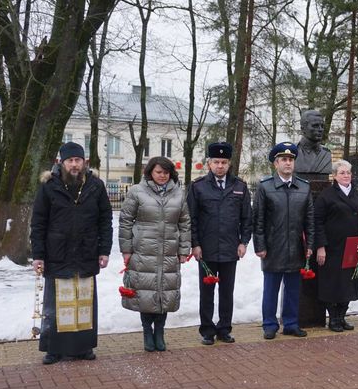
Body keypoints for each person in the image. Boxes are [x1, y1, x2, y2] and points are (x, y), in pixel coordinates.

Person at [30, 142, 112, 364]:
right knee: (56, 305)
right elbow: (38, 223)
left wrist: (104, 250)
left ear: (84, 162)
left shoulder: (96, 185)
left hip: (86, 251)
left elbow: (105, 220)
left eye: (78, 160)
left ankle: (83, 348)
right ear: (61, 163)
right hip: (57, 253)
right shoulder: (49, 186)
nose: (74, 165)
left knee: (84, 302)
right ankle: (53, 349)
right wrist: (38, 255)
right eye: (70, 161)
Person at [119, 156, 191, 352]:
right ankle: (146, 332)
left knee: (164, 294)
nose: (162, 176)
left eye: (166, 173)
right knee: (145, 293)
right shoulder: (136, 192)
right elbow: (125, 221)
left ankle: (159, 332)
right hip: (144, 251)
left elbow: (185, 223)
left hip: (169, 252)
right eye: (159, 172)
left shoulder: (178, 194)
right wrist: (126, 249)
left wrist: (184, 250)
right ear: (150, 171)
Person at [187, 142, 252, 346]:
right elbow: (191, 218)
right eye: (216, 162)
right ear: (209, 163)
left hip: (230, 248)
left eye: (224, 162)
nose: (220, 166)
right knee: (206, 292)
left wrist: (244, 242)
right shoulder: (198, 187)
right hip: (206, 249)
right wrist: (195, 244)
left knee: (226, 292)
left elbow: (246, 218)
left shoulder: (239, 186)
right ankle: (207, 330)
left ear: (229, 163)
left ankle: (224, 328)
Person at [253, 142, 315, 339]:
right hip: (273, 247)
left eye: (291, 160)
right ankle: (270, 324)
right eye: (284, 160)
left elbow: (309, 220)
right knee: (270, 290)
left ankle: (290, 323)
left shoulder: (304, 187)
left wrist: (310, 245)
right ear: (276, 164)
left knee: (293, 290)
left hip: (296, 247)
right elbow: (258, 219)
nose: (288, 163)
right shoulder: (265, 187)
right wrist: (260, 246)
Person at [314, 159, 358, 332]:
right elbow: (318, 222)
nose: (346, 176)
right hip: (332, 247)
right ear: (335, 176)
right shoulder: (326, 195)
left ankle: (342, 316)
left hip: (352, 247)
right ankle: (333, 318)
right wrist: (320, 246)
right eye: (342, 173)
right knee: (332, 283)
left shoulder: (357, 194)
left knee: (349, 284)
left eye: (348, 172)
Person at [295, 110, 333, 175]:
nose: (320, 129)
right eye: (315, 126)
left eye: (322, 126)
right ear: (303, 128)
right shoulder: (293, 152)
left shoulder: (326, 153)